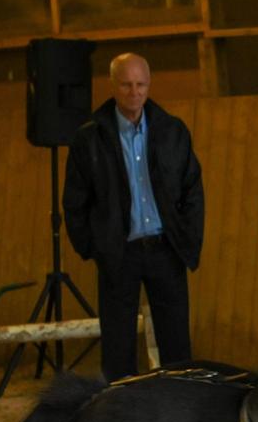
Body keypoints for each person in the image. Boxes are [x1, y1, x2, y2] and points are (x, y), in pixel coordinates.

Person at [63, 52, 204, 382]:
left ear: (149, 84)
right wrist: (93, 247)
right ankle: (120, 409)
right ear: (113, 85)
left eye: (141, 84)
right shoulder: (89, 137)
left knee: (176, 340)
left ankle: (178, 403)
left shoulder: (172, 130)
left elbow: (192, 189)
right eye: (126, 84)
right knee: (117, 342)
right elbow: (75, 199)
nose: (134, 92)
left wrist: (186, 238)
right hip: (117, 252)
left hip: (165, 249)